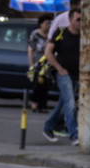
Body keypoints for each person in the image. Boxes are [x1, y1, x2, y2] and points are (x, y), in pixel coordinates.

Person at [41, 8, 82, 145]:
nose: (80, 23)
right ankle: (74, 136)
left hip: (76, 75)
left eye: (82, 20)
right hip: (63, 74)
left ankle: (48, 128)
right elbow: (48, 52)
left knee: (63, 103)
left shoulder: (83, 35)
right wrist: (59, 68)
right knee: (70, 103)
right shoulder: (61, 32)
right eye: (78, 20)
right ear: (70, 20)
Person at [27, 13, 54, 113]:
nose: (48, 25)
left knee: (45, 84)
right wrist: (31, 64)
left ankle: (43, 105)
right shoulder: (35, 34)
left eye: (49, 23)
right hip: (37, 63)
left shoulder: (50, 35)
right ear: (41, 24)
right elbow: (30, 49)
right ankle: (35, 101)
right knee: (38, 83)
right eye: (46, 23)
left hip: (47, 63)